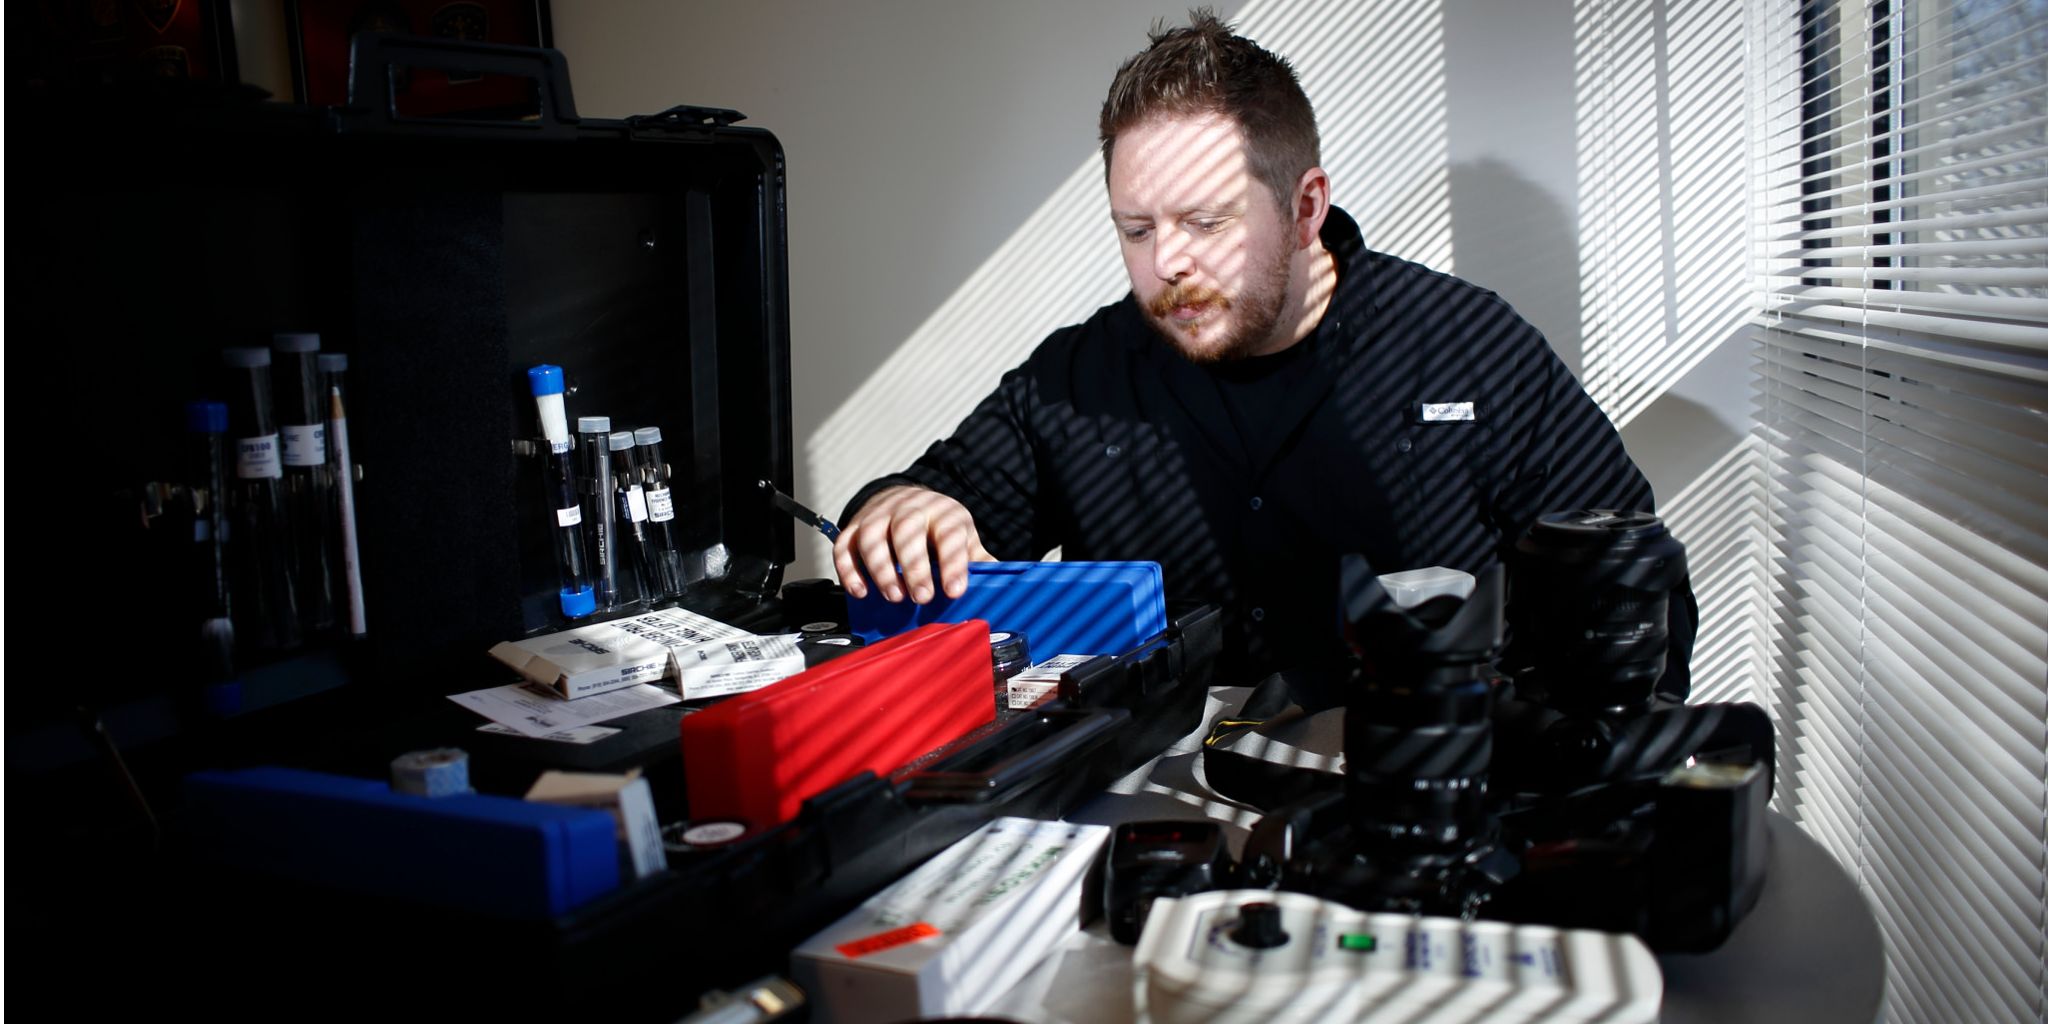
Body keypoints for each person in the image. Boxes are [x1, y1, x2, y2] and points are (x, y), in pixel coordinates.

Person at [832, 9, 1694, 704]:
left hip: (1416, 806)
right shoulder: (1081, 377)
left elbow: (1638, 593)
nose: (1167, 260)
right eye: (1137, 229)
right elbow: (932, 503)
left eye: (1206, 222)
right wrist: (904, 508)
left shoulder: (1468, 348)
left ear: (1305, 205)